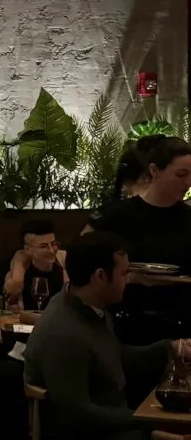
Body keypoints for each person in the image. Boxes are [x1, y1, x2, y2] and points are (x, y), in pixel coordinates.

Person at [24, 232, 185, 440]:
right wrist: (145, 420)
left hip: (104, 432)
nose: (129, 280)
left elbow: (113, 356)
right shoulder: (65, 331)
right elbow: (76, 413)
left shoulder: (87, 307)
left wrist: (171, 348)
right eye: (124, 273)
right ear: (100, 276)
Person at [89, 137, 191, 343]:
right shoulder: (119, 216)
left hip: (182, 327)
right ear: (154, 171)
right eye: (181, 175)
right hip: (127, 327)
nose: (188, 183)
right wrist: (129, 278)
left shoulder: (188, 218)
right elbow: (87, 266)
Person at [4, 219, 68, 311]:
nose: (51, 250)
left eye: (54, 244)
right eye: (43, 246)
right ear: (28, 250)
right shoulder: (17, 276)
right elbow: (11, 312)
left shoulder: (64, 265)